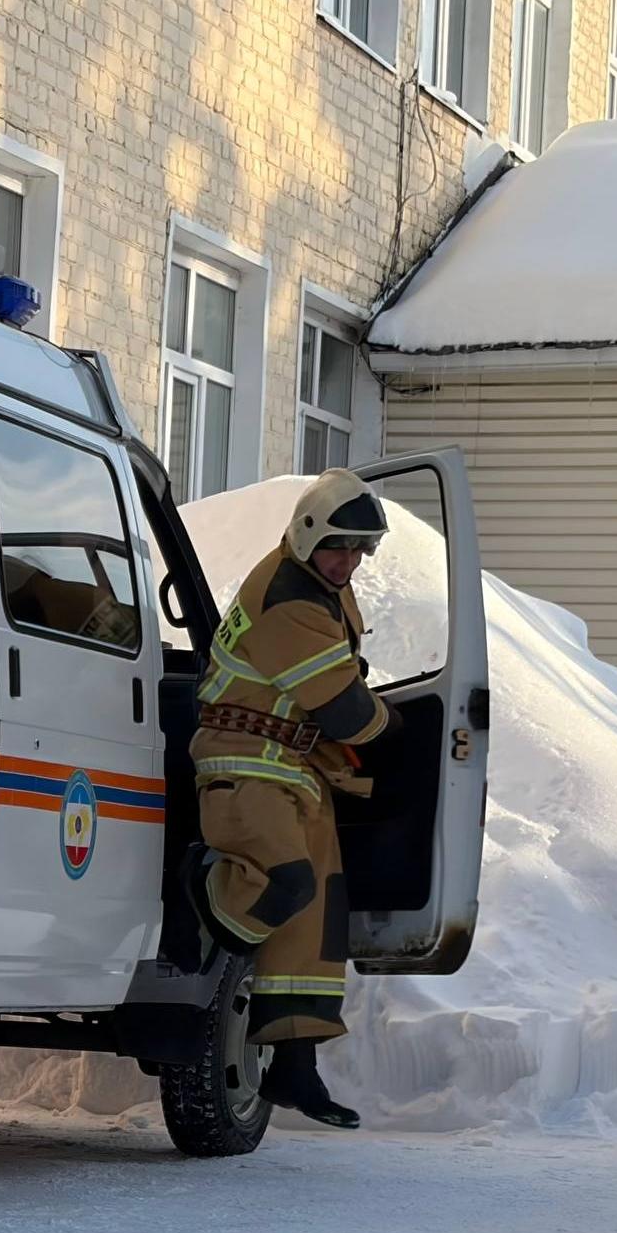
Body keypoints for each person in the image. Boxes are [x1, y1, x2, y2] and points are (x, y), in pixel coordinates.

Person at [185, 468, 393, 1130]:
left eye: (361, 551)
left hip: (292, 771)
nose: (350, 561)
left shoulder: (318, 587)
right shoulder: (291, 597)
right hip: (244, 766)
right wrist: (395, 728)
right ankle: (208, 897)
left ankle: (295, 1069)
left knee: (314, 925)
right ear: (309, 535)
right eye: (340, 546)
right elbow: (343, 708)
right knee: (286, 884)